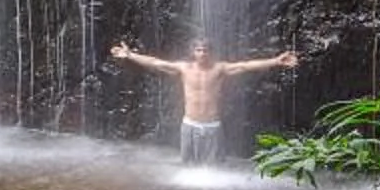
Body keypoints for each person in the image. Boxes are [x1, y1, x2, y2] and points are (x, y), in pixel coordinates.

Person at [109, 38, 298, 163]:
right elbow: (156, 63)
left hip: (212, 125)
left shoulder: (220, 68)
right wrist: (130, 55)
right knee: (187, 165)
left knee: (213, 167)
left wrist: (275, 61)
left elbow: (245, 66)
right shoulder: (183, 68)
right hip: (189, 124)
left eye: (205, 50)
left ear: (210, 52)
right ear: (193, 52)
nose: (202, 53)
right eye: (198, 50)